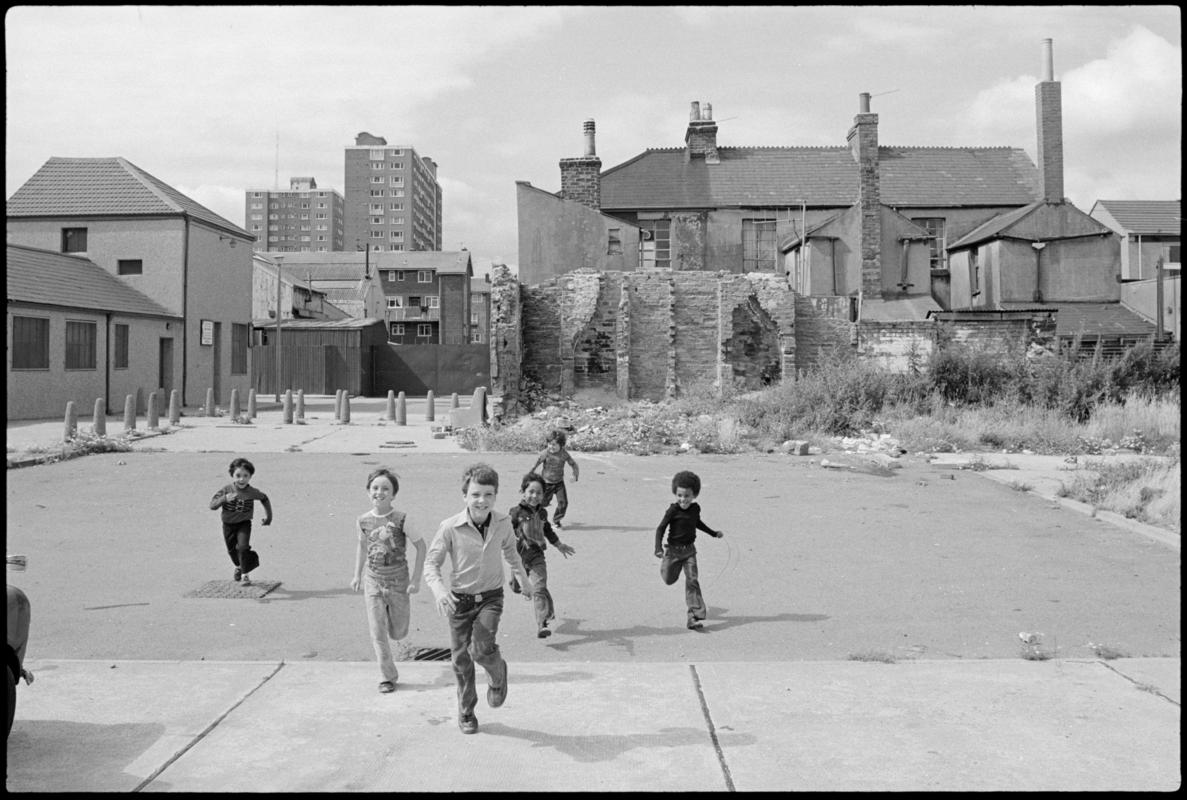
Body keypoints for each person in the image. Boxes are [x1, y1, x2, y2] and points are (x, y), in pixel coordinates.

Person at [424, 462, 530, 735]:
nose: (481, 500)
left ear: (495, 496)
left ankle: (497, 675)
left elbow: (511, 554)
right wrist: (439, 591)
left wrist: (524, 580)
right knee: (461, 659)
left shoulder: (504, 523)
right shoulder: (449, 527)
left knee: (481, 649)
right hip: (459, 601)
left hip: (490, 598)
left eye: (488, 494)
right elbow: (431, 565)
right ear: (465, 496)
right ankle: (467, 710)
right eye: (475, 494)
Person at [350, 467, 426, 694]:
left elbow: (421, 547)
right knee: (377, 631)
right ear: (367, 492)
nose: (379, 492)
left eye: (385, 488)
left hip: (398, 581)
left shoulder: (402, 519)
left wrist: (415, 580)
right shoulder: (362, 520)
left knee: (398, 632)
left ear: (393, 494)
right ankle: (387, 676)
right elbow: (362, 547)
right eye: (374, 488)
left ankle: (397, 632)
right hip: (373, 581)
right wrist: (357, 575)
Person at [508, 472, 576, 639]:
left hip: (537, 556)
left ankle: (542, 623)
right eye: (531, 491)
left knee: (539, 588)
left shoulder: (543, 514)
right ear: (523, 492)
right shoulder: (515, 512)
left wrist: (559, 545)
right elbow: (506, 532)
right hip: (518, 557)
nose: (534, 496)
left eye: (539, 493)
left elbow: (548, 531)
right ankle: (516, 583)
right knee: (519, 587)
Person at [654, 470, 724, 630]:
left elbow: (697, 523)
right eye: (679, 495)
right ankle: (669, 566)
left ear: (694, 495)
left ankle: (694, 615)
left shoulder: (695, 509)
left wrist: (714, 533)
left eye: (687, 496)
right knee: (668, 579)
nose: (683, 499)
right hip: (672, 552)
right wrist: (658, 548)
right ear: (675, 493)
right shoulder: (673, 510)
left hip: (689, 552)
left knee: (692, 580)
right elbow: (660, 528)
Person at [209, 457, 273, 585]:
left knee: (243, 547)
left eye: (245, 476)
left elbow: (264, 498)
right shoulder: (226, 490)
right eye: (238, 475)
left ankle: (245, 574)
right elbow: (212, 505)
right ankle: (239, 566)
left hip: (244, 524)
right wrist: (224, 499)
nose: (241, 479)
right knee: (232, 551)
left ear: (250, 477)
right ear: (232, 475)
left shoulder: (252, 492)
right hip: (228, 525)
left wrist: (268, 517)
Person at [530, 429, 580, 529]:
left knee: (563, 503)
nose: (551, 447)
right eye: (549, 444)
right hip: (546, 483)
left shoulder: (564, 454)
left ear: (561, 445)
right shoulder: (545, 453)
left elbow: (574, 465)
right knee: (543, 503)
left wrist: (575, 475)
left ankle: (556, 521)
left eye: (554, 445)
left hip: (559, 483)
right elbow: (535, 464)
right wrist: (530, 476)